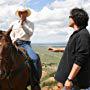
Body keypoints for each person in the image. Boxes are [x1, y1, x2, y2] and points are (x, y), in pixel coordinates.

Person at [48, 8, 90, 90]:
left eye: (70, 16)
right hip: (72, 83)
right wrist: (58, 49)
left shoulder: (83, 35)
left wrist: (69, 79)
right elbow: (74, 50)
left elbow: (81, 58)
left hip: (75, 83)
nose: (68, 18)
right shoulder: (79, 34)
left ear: (75, 18)